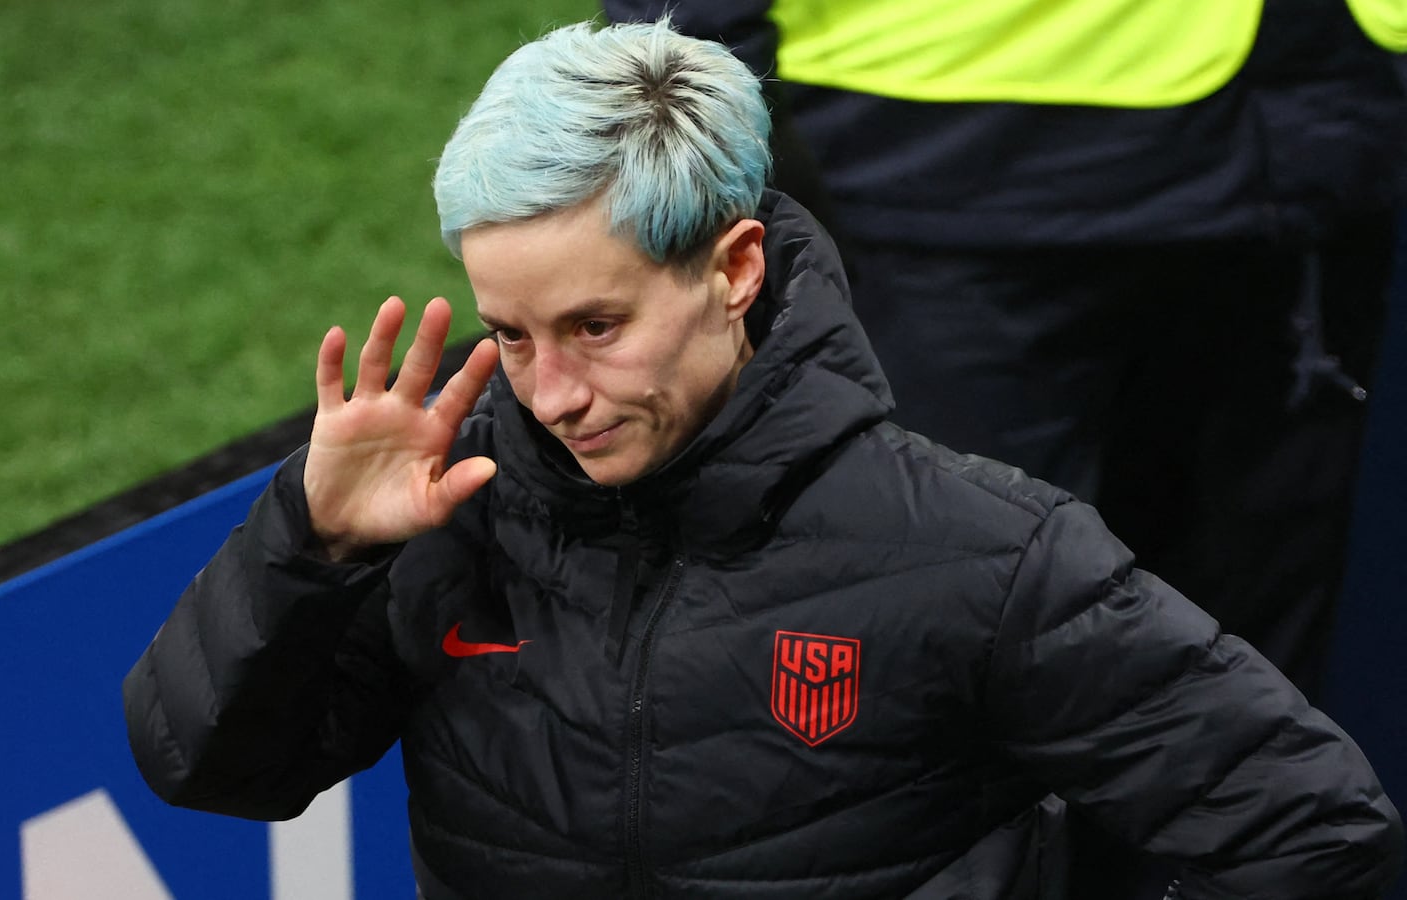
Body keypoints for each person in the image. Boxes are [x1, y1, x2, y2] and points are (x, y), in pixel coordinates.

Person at [122, 19, 1403, 899]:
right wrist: (311, 543)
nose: (551, 393)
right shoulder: (449, 517)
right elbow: (211, 770)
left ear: (734, 270)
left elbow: (1311, 828)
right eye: (511, 335)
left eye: (596, 327)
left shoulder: (978, 552)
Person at [601, 0, 1407, 703]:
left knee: (1260, 673)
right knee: (931, 645)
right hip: (938, 164)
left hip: (1317, 152)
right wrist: (721, 122)